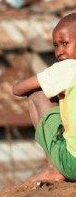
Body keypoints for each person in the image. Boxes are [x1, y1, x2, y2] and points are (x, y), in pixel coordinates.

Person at [13, 12, 76, 182]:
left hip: (72, 164)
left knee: (38, 94)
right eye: (56, 46)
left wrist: (28, 80)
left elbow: (18, 89)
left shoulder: (67, 67)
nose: (59, 52)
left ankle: (53, 168)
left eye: (65, 44)